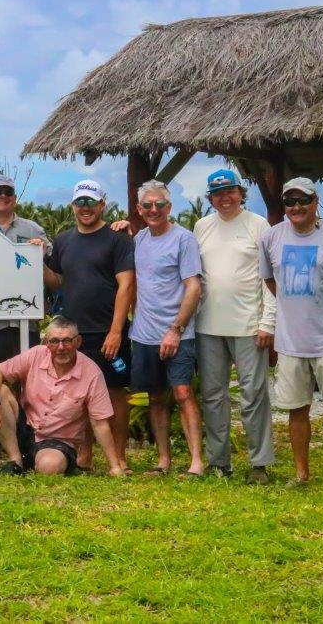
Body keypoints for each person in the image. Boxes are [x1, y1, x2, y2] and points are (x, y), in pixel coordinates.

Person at [259, 177, 323, 491]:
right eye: (290, 201)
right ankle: (301, 473)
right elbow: (272, 283)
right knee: (296, 408)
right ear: (283, 205)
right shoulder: (271, 237)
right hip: (290, 341)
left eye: (303, 200)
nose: (297, 207)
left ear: (316, 202)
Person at [43, 180, 134, 470]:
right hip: (73, 335)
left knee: (115, 393)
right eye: (80, 202)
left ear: (102, 205)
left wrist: (116, 331)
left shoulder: (118, 238)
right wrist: (37, 260)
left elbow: (126, 285)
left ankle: (118, 455)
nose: (85, 208)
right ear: (72, 206)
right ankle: (84, 457)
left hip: (108, 332)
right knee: (78, 396)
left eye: (91, 202)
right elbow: (58, 281)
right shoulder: (63, 240)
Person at [194, 168, 276, 484]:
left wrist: (268, 322)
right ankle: (219, 462)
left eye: (230, 191)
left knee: (253, 394)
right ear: (210, 198)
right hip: (207, 326)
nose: (224, 198)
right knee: (213, 395)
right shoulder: (202, 226)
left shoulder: (258, 225)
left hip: (249, 325)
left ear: (241, 193)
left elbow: (269, 279)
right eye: (217, 193)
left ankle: (259, 463)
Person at [0, 174, 49, 469]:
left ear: (14, 197)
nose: (3, 196)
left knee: (26, 385)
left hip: (24, 322)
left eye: (8, 192)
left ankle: (25, 444)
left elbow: (48, 264)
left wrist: (40, 249)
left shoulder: (32, 229)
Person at [0, 315, 125, 476]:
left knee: (49, 466)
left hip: (58, 440)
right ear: (46, 343)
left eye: (67, 341)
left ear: (78, 342)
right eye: (54, 341)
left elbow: (100, 424)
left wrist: (115, 466)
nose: (61, 347)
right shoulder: (35, 355)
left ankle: (43, 462)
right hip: (26, 426)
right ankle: (15, 461)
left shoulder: (92, 373)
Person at [128, 180, 205, 478]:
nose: (153, 209)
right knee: (157, 397)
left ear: (169, 207)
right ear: (139, 209)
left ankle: (196, 461)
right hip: (144, 333)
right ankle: (163, 460)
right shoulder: (139, 241)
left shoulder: (183, 240)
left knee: (183, 392)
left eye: (159, 204)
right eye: (147, 205)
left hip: (177, 332)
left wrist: (176, 328)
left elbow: (194, 287)